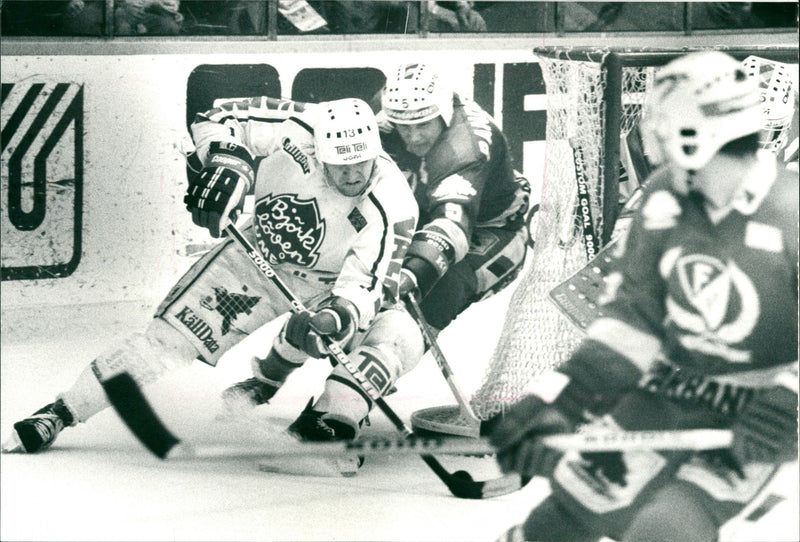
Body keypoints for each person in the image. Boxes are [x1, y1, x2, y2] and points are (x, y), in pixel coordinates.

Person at [3, 98, 422, 469]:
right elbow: (218, 115)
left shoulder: (393, 202)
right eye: (340, 163)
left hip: (327, 285)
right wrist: (228, 161)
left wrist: (335, 316)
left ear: (376, 151)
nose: (352, 174)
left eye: (361, 162)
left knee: (390, 336)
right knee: (163, 343)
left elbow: (365, 285)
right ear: (318, 150)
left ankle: (332, 418)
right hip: (252, 260)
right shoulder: (301, 127)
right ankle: (60, 411)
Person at [486, 51, 798, 542]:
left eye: (667, 132)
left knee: (667, 530)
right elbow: (632, 323)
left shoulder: (791, 215)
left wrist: (786, 404)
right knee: (553, 527)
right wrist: (561, 401)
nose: (656, 147)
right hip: (661, 398)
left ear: (702, 137)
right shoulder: (662, 200)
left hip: (752, 418)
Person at [379, 62, 531, 332]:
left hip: (492, 230)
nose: (413, 137)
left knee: (440, 289)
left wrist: (411, 276)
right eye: (404, 126)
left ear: (444, 112)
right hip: (427, 209)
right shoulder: (398, 105)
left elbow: (452, 230)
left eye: (423, 124)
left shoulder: (463, 150)